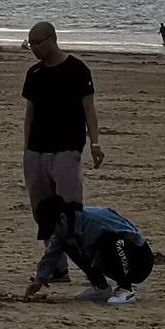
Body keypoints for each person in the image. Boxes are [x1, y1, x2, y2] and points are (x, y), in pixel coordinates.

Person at [21, 21, 104, 293]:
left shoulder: (77, 70)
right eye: (30, 43)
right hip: (36, 152)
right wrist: (27, 151)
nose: (33, 48)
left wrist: (95, 143)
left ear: (51, 39)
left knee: (70, 212)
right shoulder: (34, 74)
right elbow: (29, 114)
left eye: (37, 43)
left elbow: (89, 109)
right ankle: (57, 267)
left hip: (67, 150)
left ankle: (91, 269)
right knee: (42, 211)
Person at [32, 196, 152, 305]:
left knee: (108, 239)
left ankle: (126, 289)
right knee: (67, 244)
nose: (54, 233)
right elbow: (51, 255)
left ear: (62, 218)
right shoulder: (65, 230)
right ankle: (101, 287)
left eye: (53, 228)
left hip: (139, 261)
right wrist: (39, 280)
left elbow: (134, 238)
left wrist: (116, 261)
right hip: (114, 259)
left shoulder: (94, 221)